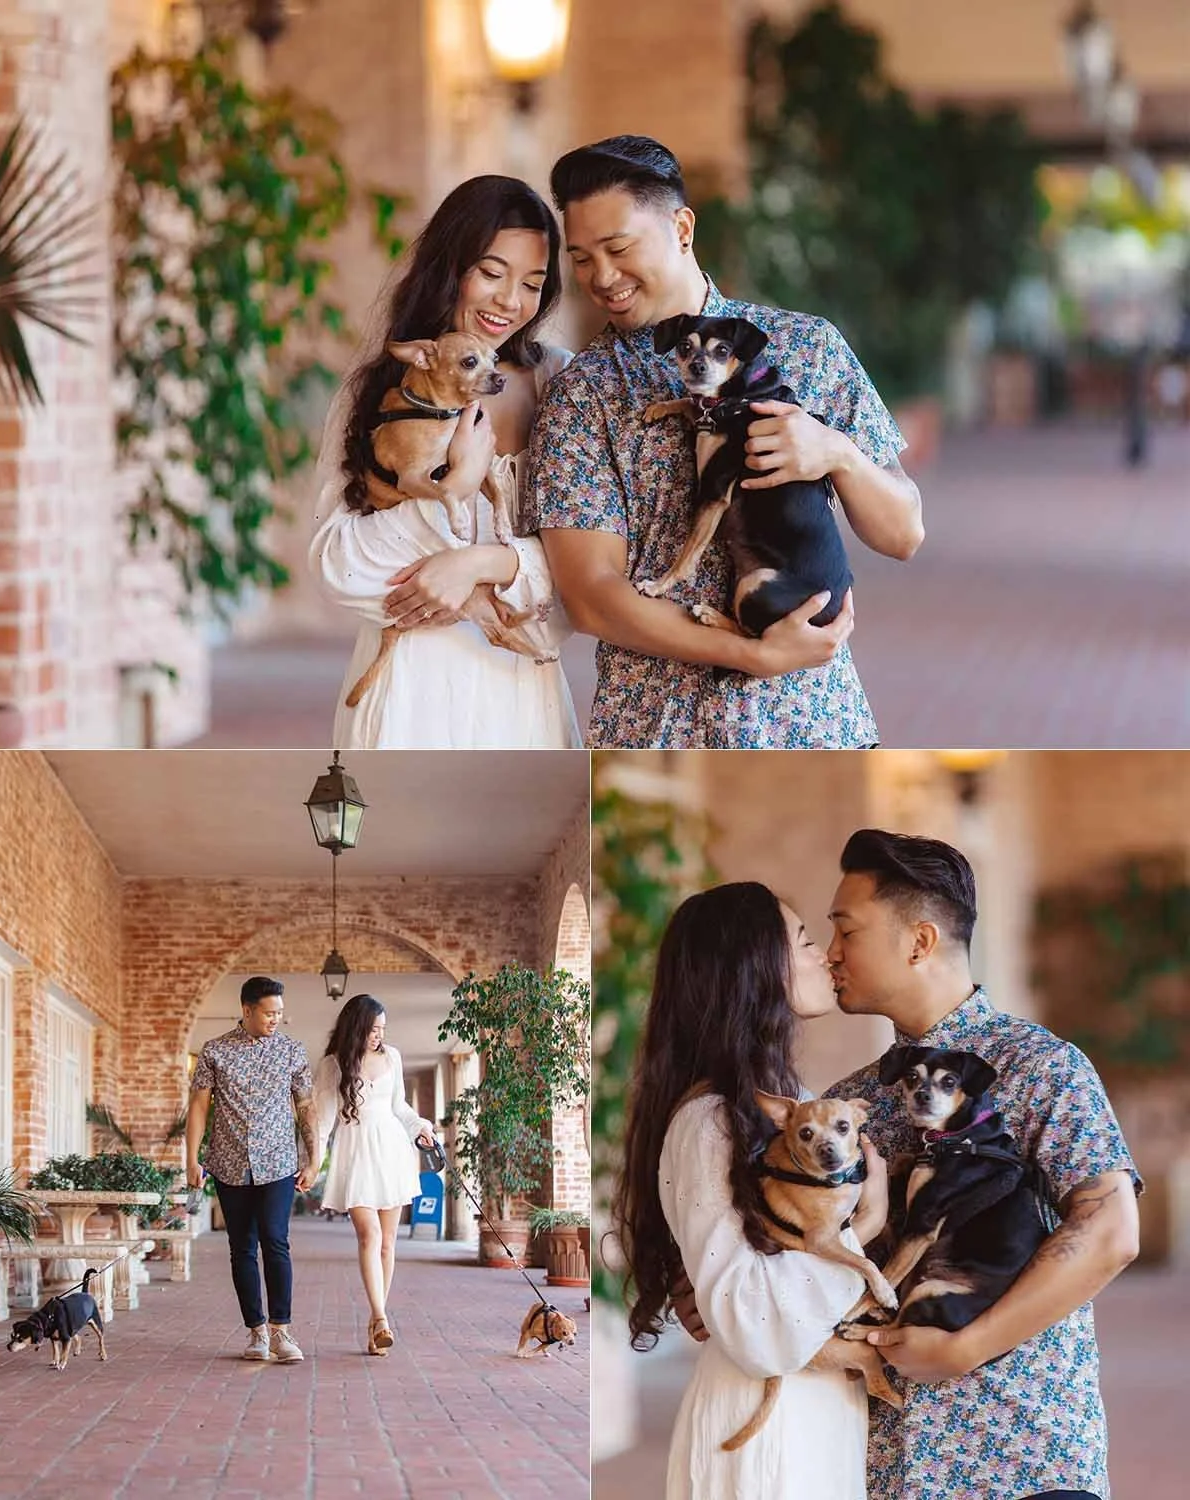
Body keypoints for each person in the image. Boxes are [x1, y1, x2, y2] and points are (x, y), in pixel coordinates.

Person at [676, 831, 1142, 1500]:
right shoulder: (853, 1103)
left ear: (919, 942)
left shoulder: (1040, 1065)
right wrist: (720, 1294)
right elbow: (784, 1242)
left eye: (846, 930)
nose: (830, 954)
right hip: (888, 1462)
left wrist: (964, 1348)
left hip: (1023, 1452)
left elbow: (1110, 1234)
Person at [528, 135, 925, 748]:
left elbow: (903, 533)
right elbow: (592, 598)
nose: (601, 277)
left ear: (682, 227)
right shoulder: (581, 395)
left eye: (618, 247)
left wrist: (837, 453)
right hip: (659, 729)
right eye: (581, 258)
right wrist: (750, 655)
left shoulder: (808, 347)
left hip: (813, 725)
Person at [614, 881, 892, 1499]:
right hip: (767, 1434)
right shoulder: (711, 1120)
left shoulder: (774, 1108)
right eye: (804, 940)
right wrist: (859, 1229)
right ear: (754, 971)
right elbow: (750, 1323)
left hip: (804, 1416)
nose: (826, 954)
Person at [310, 174, 581, 749]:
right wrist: (456, 482)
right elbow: (336, 562)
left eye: (532, 283)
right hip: (409, 683)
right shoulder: (375, 394)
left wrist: (480, 564)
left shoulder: (566, 382)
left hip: (520, 685)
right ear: (450, 267)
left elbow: (593, 565)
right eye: (491, 272)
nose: (510, 301)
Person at [186, 976, 317, 1363]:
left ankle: (281, 1332)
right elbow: (198, 1107)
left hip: (278, 1162)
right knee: (241, 1247)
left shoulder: (292, 1051)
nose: (276, 1018)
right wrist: (191, 1159)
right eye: (269, 1012)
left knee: (275, 1240)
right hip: (229, 1164)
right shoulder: (215, 1051)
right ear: (247, 1010)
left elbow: (306, 1106)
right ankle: (256, 1333)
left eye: (279, 1012)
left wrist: (315, 1157)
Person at [312, 993, 437, 1356]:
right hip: (355, 1153)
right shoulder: (333, 1065)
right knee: (370, 1235)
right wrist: (312, 1162)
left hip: (393, 1150)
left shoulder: (392, 1057)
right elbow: (322, 1122)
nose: (378, 1036)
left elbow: (399, 1106)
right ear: (357, 1027)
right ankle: (380, 1318)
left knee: (387, 1242)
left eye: (382, 1029)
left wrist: (420, 1128)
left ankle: (375, 1321)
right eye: (372, 1029)